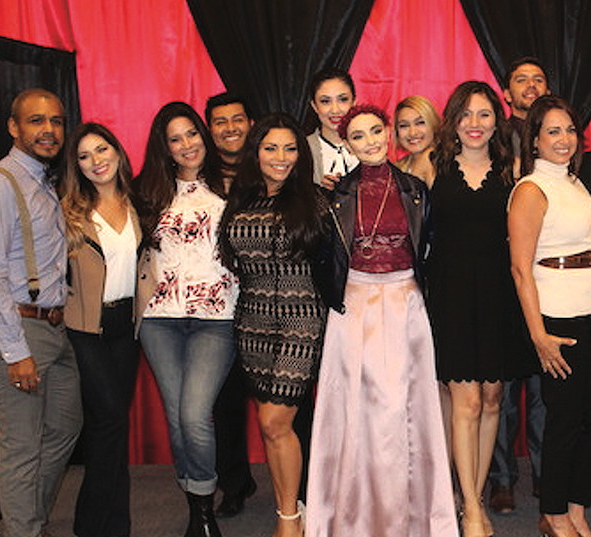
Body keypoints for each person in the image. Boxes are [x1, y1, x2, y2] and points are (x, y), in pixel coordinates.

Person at [305, 104, 458, 537]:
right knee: (355, 409)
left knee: (406, 408)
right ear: (346, 143)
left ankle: (413, 516)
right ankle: (353, 516)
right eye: (358, 135)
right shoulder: (333, 194)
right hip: (355, 305)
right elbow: (322, 258)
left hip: (407, 302)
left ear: (388, 132)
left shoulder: (415, 188)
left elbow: (429, 249)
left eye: (376, 131)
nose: (370, 141)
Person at [0, 88, 81, 537]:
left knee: (66, 428)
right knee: (21, 448)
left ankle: (27, 522)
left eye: (55, 121)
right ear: (13, 128)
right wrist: (15, 352)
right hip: (14, 330)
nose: (49, 130)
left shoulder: (43, 182)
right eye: (36, 121)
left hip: (54, 327)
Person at [427, 81, 537, 537]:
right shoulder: (429, 168)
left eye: (484, 114)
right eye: (466, 114)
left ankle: (472, 493)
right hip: (450, 296)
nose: (475, 124)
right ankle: (472, 507)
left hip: (499, 296)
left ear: (498, 119)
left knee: (493, 398)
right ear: (453, 120)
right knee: (466, 401)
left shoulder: (514, 173)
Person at [509, 94, 591, 537]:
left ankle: (575, 506)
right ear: (534, 139)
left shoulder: (576, 184)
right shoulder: (531, 189)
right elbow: (521, 268)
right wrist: (538, 334)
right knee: (564, 422)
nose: (564, 139)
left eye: (570, 130)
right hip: (557, 317)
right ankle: (553, 514)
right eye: (552, 131)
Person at [219, 113, 328, 537]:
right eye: (270, 148)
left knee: (274, 421)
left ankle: (288, 520)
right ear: (255, 153)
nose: (280, 157)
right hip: (253, 322)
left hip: (302, 320)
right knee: (273, 426)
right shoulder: (240, 200)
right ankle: (293, 508)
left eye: (289, 148)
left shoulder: (316, 200)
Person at [133, 101, 237, 537]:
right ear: (165, 148)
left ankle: (206, 501)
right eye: (175, 139)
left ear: (204, 135)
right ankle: (198, 508)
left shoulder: (233, 185)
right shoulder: (146, 192)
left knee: (195, 414)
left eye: (192, 133)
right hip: (160, 319)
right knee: (176, 418)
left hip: (217, 318)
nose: (187, 145)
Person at [61, 122, 142, 537]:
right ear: (77, 166)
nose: (97, 161)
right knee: (109, 418)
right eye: (85, 156)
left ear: (117, 150)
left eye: (102, 149)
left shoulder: (139, 204)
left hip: (127, 327)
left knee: (111, 424)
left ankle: (115, 525)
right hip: (85, 328)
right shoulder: (68, 211)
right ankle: (93, 526)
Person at [490, 55, 551, 515]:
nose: (530, 86)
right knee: (504, 394)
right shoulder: (491, 138)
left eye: (538, 79)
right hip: (500, 276)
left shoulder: (558, 137)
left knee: (545, 390)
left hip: (550, 280)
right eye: (520, 80)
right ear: (506, 92)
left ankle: (547, 475)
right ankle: (502, 479)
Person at [204, 91, 259, 519]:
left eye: (237, 119)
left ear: (251, 123)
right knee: (225, 403)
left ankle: (306, 485)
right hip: (219, 309)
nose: (229, 128)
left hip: (272, 305)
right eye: (220, 122)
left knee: (291, 404)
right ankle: (234, 483)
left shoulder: (272, 167)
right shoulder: (197, 175)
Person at [305, 68, 360, 187]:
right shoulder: (303, 149)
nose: (335, 110)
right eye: (325, 101)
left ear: (354, 102)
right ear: (314, 106)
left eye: (343, 99)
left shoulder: (371, 146)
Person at [394, 95, 440, 183]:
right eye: (404, 125)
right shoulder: (399, 167)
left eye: (420, 123)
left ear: (433, 124)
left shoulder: (434, 159)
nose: (413, 133)